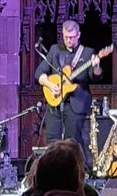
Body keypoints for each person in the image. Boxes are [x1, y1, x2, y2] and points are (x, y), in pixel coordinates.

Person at [35, 19, 104, 163]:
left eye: (72, 37)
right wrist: (49, 84)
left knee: (73, 142)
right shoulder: (55, 50)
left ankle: (76, 170)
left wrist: (96, 66)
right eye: (66, 37)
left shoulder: (87, 53)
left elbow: (95, 77)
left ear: (78, 35)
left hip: (76, 103)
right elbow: (39, 73)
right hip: (55, 103)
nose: (68, 40)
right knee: (52, 141)